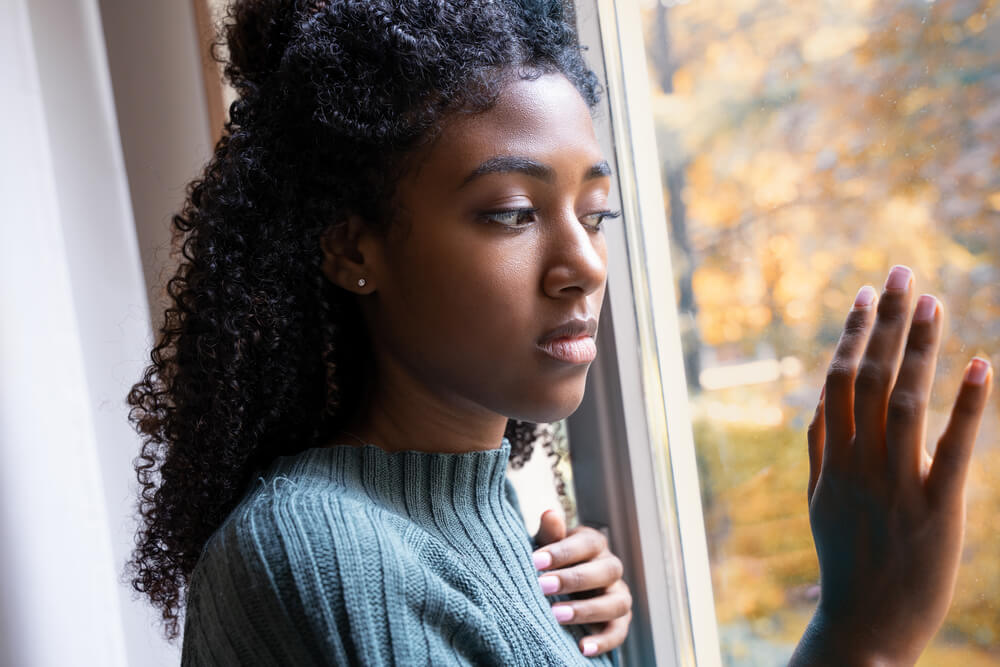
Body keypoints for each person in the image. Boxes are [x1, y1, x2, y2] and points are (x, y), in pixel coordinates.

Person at [126, 0, 993, 665]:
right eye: (512, 213)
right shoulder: (314, 551)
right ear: (355, 247)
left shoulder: (523, 539)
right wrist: (861, 632)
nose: (583, 263)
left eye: (595, 212)